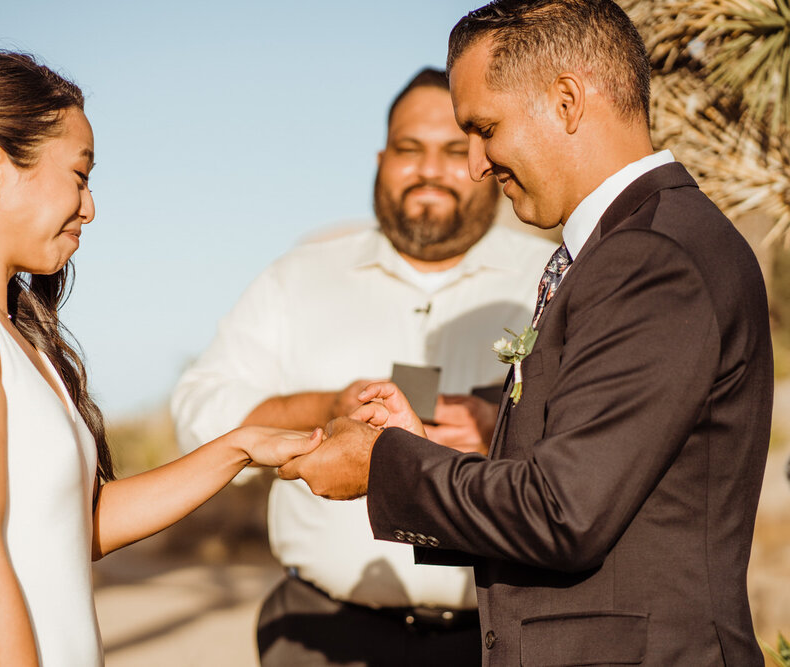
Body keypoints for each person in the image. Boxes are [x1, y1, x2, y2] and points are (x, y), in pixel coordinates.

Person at [279, 1, 773, 664]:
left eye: (486, 127)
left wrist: (383, 466)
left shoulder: (652, 258)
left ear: (567, 100)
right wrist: (421, 447)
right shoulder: (620, 247)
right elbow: (581, 483)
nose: (477, 164)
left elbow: (563, 512)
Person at [0, 49, 315, 667]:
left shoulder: (5, 330)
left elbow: (82, 524)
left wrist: (239, 446)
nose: (90, 205)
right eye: (79, 175)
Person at [171, 68, 556, 665]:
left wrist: (501, 430)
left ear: (486, 157)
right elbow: (198, 418)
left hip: (501, 640)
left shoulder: (549, 278)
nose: (430, 169)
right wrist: (327, 411)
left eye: (455, 150)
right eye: (409, 149)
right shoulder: (298, 276)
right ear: (381, 158)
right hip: (322, 636)